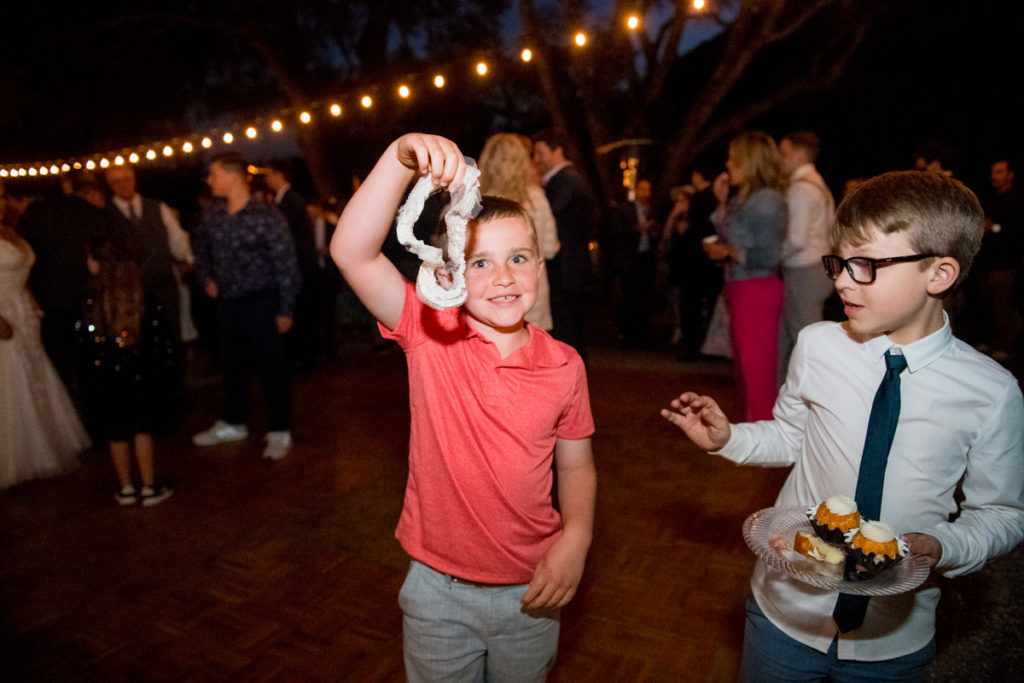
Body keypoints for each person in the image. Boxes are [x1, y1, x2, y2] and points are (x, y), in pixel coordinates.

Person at [661, 170, 1024, 681]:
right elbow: (791, 435)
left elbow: (1002, 513)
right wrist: (730, 438)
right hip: (787, 613)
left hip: (892, 637)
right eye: (839, 262)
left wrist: (945, 546)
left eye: (866, 265)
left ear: (939, 274)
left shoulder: (991, 392)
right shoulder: (819, 345)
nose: (842, 280)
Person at [331, 133, 596, 682]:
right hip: (438, 594)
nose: (503, 277)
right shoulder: (428, 332)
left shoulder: (566, 364)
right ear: (448, 273)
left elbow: (576, 467)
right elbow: (351, 252)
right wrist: (400, 156)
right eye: (479, 262)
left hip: (534, 589)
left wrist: (577, 537)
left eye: (517, 258)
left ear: (539, 266)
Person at [191, 152, 301, 461]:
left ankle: (279, 430)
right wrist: (206, 277)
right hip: (227, 303)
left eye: (214, 174)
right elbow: (200, 249)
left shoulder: (266, 215)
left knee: (271, 368)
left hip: (262, 302)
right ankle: (234, 423)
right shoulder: (213, 214)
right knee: (231, 366)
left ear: (232, 176)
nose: (210, 180)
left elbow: (286, 263)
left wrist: (286, 308)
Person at [79, 235, 175, 506]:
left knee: (116, 431)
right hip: (139, 374)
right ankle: (149, 486)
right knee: (141, 428)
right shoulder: (142, 296)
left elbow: (87, 341)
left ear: (97, 263)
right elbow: (158, 339)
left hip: (106, 376)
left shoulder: (91, 299)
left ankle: (126, 487)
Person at [0, 210, 90, 490]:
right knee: (11, 375)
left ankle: (49, 440)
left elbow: (24, 276)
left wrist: (33, 305)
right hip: (3, 312)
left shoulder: (11, 232)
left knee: (36, 371)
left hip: (24, 310)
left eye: (2, 197)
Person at [704, 131, 787, 421]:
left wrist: (728, 252)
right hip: (742, 288)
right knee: (744, 371)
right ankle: (749, 430)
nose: (728, 164)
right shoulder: (745, 198)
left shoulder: (766, 200)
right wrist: (721, 202)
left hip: (757, 290)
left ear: (748, 160)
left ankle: (763, 432)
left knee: (757, 373)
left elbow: (769, 255)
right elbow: (730, 234)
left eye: (732, 157)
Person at [17, 173, 126, 393]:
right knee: (93, 368)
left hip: (49, 304)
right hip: (90, 303)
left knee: (58, 371)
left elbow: (25, 255)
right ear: (91, 191)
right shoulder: (99, 216)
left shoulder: (38, 213)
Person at [478, 132, 560, 331]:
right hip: (528, 293)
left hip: (487, 293)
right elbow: (550, 249)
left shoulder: (474, 202)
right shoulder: (535, 198)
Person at [104, 165, 194, 342]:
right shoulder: (105, 216)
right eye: (116, 182)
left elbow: (178, 244)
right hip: (129, 293)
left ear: (134, 180)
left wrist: (185, 261)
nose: (122, 185)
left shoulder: (158, 208)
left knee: (172, 336)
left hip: (164, 286)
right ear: (109, 186)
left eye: (126, 179)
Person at [531, 128, 599, 360]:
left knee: (567, 339)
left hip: (566, 273)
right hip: (568, 272)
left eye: (540, 153)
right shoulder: (566, 180)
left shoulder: (566, 182)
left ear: (557, 150)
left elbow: (548, 218)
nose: (536, 160)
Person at [777, 131, 836, 383]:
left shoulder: (801, 188)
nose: (779, 160)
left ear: (799, 155)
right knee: (802, 337)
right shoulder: (818, 183)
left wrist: (770, 257)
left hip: (805, 271)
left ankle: (811, 394)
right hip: (817, 267)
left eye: (784, 153)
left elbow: (795, 240)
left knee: (804, 341)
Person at [264, 159, 320, 370]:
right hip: (298, 268)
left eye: (268, 174)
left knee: (302, 315)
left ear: (279, 174)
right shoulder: (285, 200)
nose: (266, 179)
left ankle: (306, 360)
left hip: (299, 269)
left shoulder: (290, 200)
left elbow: (293, 240)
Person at [608, 178, 658, 347]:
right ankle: (625, 330)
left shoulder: (652, 210)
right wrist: (636, 229)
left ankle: (641, 331)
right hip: (628, 259)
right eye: (642, 189)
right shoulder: (625, 209)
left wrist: (652, 229)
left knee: (643, 295)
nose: (646, 193)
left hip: (645, 258)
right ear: (636, 190)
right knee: (627, 294)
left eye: (648, 189)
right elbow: (615, 230)